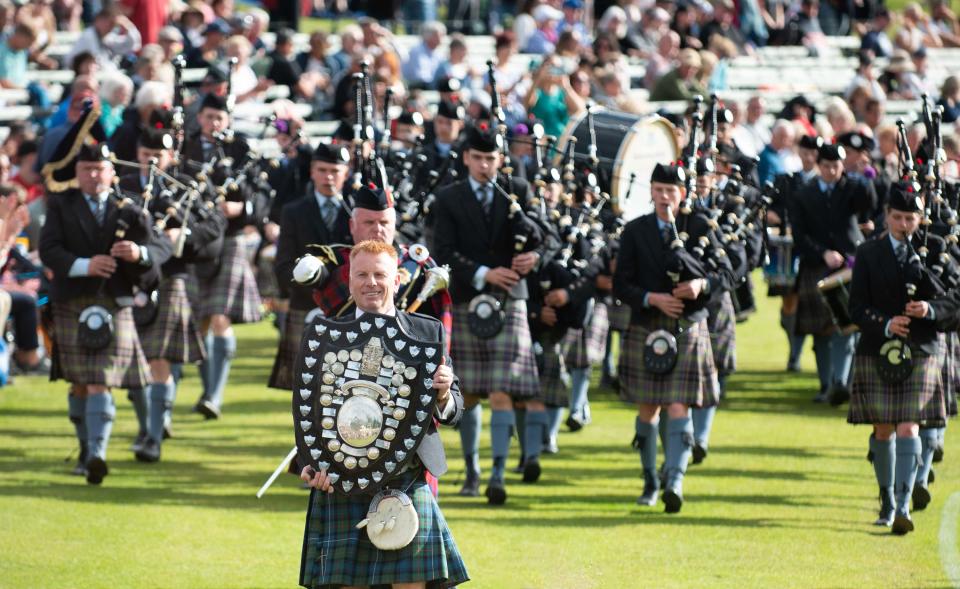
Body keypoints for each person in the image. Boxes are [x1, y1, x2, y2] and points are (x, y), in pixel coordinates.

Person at [298, 239, 469, 589]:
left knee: (412, 584)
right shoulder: (326, 335)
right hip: (341, 479)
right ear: (349, 281)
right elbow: (311, 409)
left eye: (379, 274)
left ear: (397, 279)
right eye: (361, 274)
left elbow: (454, 412)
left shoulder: (425, 331)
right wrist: (310, 462)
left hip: (406, 475)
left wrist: (442, 394)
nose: (370, 282)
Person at [39, 126, 169, 485]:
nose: (93, 175)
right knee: (80, 383)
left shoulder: (127, 206)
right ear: (77, 173)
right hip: (72, 299)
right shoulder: (61, 205)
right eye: (86, 170)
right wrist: (85, 264)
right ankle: (86, 452)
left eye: (99, 170)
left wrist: (138, 252)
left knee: (100, 382)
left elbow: (162, 248)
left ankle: (96, 453)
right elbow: (48, 248)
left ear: (112, 172)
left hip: (114, 300)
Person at [432, 125, 544, 504]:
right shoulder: (448, 198)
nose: (485, 165)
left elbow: (545, 236)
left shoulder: (519, 192)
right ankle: (472, 471)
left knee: (501, 393)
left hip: (510, 298)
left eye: (491, 158)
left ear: (501, 159)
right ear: (466, 158)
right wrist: (484, 272)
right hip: (467, 298)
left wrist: (535, 257)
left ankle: (497, 474)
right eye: (478, 158)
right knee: (471, 394)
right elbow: (442, 249)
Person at [613, 163, 733, 512]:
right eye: (660, 190)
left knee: (680, 404)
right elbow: (622, 283)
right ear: (651, 191)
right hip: (648, 323)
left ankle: (675, 479)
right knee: (648, 407)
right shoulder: (635, 230)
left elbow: (726, 272)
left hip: (687, 325)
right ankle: (650, 480)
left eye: (672, 191)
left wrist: (701, 284)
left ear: (684, 193)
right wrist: (652, 298)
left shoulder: (701, 225)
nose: (666, 197)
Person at [121, 126, 227, 462]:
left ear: (171, 155)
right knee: (130, 362)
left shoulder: (188, 187)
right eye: (145, 154)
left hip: (172, 278)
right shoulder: (123, 186)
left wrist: (185, 231)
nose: (151, 160)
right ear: (137, 155)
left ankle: (153, 436)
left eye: (159, 154)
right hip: (129, 278)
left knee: (159, 361)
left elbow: (215, 226)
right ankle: (147, 426)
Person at [847, 183, 948, 535]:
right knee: (884, 428)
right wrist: (886, 323)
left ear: (920, 218)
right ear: (887, 216)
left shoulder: (935, 250)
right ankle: (887, 500)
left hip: (921, 348)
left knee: (908, 425)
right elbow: (855, 306)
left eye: (911, 218)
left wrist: (930, 308)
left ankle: (903, 505)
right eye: (898, 217)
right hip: (879, 346)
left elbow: (956, 301)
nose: (904, 224)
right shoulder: (869, 252)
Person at [180, 93, 260, 420]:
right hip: (196, 239)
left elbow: (259, 191)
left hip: (231, 236)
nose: (214, 123)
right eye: (209, 116)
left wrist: (243, 208)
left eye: (219, 118)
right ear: (199, 117)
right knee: (198, 319)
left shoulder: (239, 150)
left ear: (227, 120)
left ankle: (214, 395)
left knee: (219, 316)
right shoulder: (184, 149)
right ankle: (208, 390)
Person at [791, 143, 875, 404]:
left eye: (836, 166)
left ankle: (842, 382)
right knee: (821, 330)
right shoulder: (803, 193)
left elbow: (869, 203)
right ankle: (826, 385)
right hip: (816, 265)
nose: (831, 171)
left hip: (849, 265)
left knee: (848, 325)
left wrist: (865, 175)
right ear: (819, 165)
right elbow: (799, 234)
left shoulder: (851, 187)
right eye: (826, 166)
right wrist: (822, 253)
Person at [269, 143, 352, 393]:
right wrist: (315, 289)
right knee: (307, 391)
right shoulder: (293, 212)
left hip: (349, 310)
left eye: (335, 171)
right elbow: (283, 266)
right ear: (312, 172)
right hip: (304, 306)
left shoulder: (356, 213)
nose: (328, 177)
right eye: (322, 170)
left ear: (346, 173)